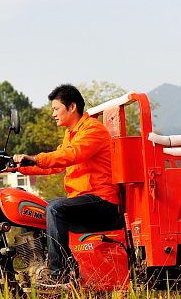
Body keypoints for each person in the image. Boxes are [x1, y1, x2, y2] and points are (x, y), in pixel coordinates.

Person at [12, 84, 123, 285]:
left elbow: (70, 155)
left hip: (102, 202)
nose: (53, 114)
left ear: (72, 107)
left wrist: (35, 158)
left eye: (56, 109)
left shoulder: (93, 130)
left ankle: (59, 276)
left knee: (55, 209)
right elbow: (53, 167)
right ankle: (36, 270)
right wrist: (18, 168)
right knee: (29, 211)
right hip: (83, 201)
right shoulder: (72, 134)